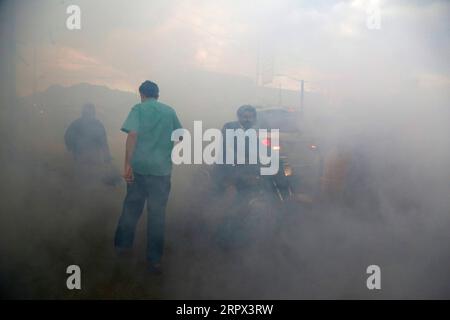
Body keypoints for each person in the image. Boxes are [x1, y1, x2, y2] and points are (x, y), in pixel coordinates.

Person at [114, 80, 182, 273]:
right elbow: (180, 136)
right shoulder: (169, 111)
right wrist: (164, 149)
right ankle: (154, 261)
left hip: (140, 170)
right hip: (161, 172)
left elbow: (132, 135)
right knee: (157, 216)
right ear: (158, 95)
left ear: (141, 94)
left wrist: (127, 165)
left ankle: (122, 249)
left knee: (131, 209)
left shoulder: (138, 108)